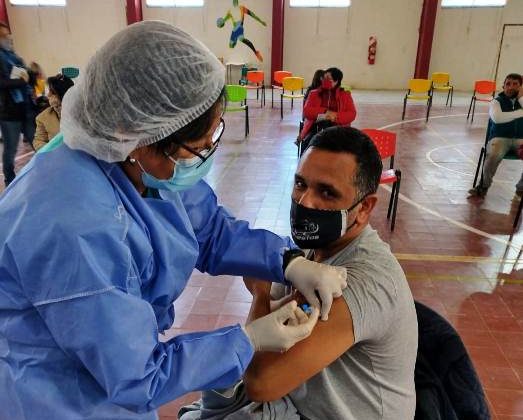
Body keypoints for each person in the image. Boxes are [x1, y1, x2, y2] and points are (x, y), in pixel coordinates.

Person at [0, 21, 351, 419]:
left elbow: (210, 230)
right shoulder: (72, 226)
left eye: (211, 139)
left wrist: (287, 261)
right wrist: (248, 340)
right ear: (136, 136)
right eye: (193, 149)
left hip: (117, 379)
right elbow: (138, 376)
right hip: (60, 398)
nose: (199, 160)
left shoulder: (143, 163)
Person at [180, 127, 418, 420]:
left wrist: (260, 295)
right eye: (300, 184)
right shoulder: (307, 254)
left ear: (365, 207)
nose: (306, 201)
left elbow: (261, 381)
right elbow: (270, 325)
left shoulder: (361, 281)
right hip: (298, 404)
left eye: (327, 193)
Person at [468, 73, 523, 198]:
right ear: (503, 86)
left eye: (515, 84)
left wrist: (520, 98)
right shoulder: (496, 101)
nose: (511, 87)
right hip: (499, 139)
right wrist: (520, 113)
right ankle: (483, 186)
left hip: (520, 140)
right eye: (508, 84)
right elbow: (498, 118)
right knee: (494, 154)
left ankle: (521, 187)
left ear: (521, 87)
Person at [0, 21, 37, 185]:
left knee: (38, 143)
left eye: (8, 34)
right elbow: (2, 83)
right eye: (3, 35)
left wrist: (31, 74)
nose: (7, 38)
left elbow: (25, 77)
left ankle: (44, 172)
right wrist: (22, 81)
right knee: (10, 149)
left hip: (26, 109)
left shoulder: (14, 56)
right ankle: (10, 181)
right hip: (9, 112)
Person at [298, 67, 356, 152]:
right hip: (316, 126)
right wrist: (325, 112)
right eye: (324, 78)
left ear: (336, 81)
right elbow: (307, 112)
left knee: (345, 149)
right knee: (307, 145)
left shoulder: (345, 95)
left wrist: (335, 116)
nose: (325, 80)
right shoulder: (314, 93)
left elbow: (352, 114)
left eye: (328, 79)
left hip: (338, 128)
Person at [33, 73, 74, 151]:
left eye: (52, 93)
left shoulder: (81, 113)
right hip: (56, 157)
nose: (48, 95)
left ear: (63, 94)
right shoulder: (42, 118)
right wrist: (53, 150)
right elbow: (38, 141)